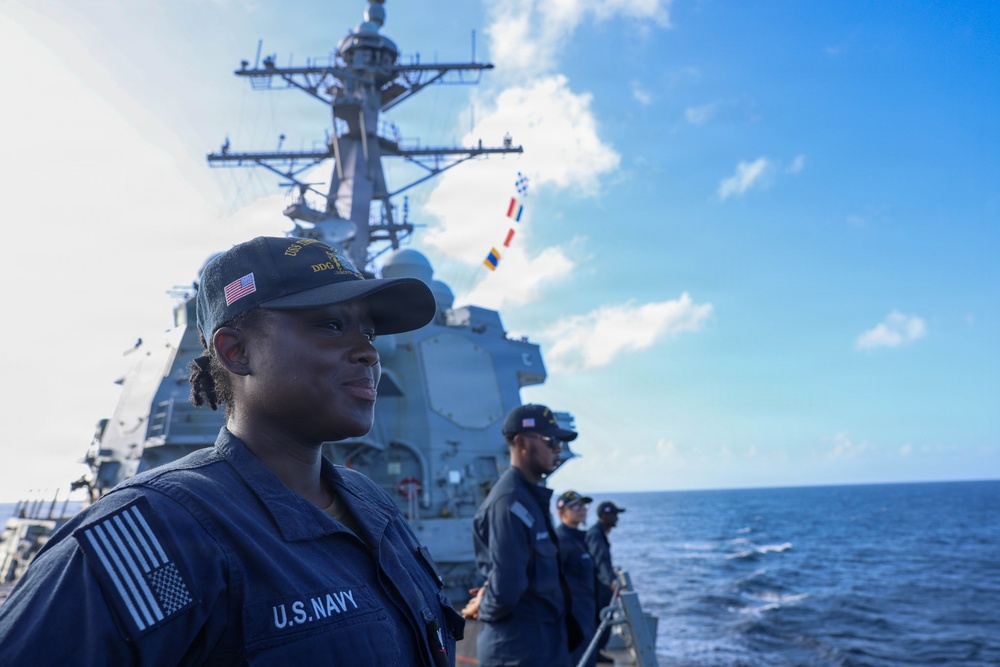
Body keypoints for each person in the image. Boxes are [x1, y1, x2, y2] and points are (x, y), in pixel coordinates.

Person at [0, 236, 464, 666]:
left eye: (369, 332)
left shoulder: (374, 508)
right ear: (236, 352)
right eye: (331, 324)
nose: (368, 353)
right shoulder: (156, 534)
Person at [465, 404, 582, 667]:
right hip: (519, 653)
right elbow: (506, 589)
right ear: (521, 443)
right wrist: (483, 606)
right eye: (551, 441)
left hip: (544, 647)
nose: (558, 449)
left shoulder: (528, 498)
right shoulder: (509, 504)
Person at [555, 490, 597, 667]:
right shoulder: (559, 541)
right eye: (575, 506)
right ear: (561, 512)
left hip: (587, 611)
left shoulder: (582, 538)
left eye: (583, 505)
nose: (582, 509)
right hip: (572, 615)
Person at [586, 500, 626, 661]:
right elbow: (600, 560)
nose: (617, 518)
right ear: (604, 516)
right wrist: (612, 581)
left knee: (604, 619)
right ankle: (596, 654)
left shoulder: (599, 533)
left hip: (600, 586)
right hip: (599, 587)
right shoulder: (596, 534)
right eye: (614, 515)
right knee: (602, 619)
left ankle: (598, 652)